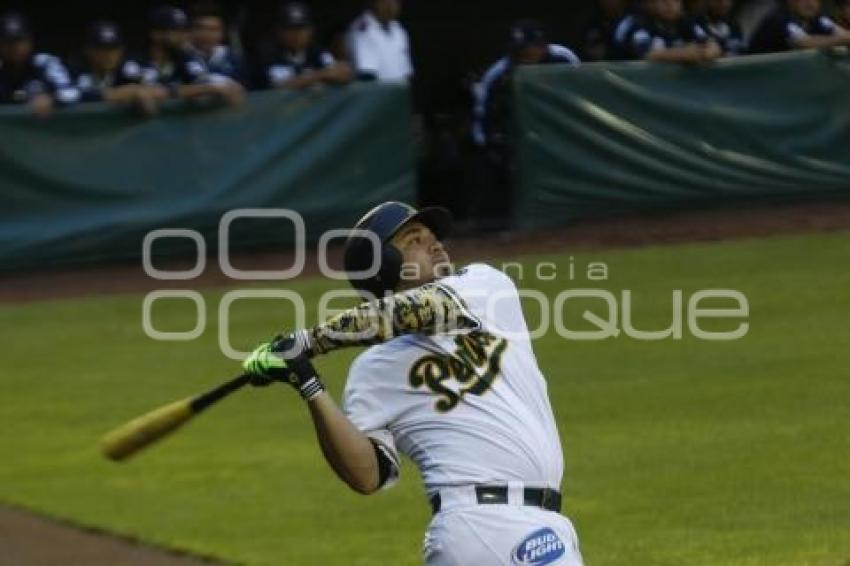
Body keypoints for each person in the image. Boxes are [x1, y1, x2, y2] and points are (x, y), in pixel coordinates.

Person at [241, 201, 584, 565]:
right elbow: (368, 474)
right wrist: (308, 384)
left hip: (540, 524)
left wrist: (310, 342)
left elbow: (414, 309)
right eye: (415, 241)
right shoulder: (372, 371)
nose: (436, 245)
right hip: (485, 525)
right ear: (383, 266)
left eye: (434, 238)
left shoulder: (484, 287)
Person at [470, 20, 579, 230]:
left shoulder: (563, 58)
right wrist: (492, 144)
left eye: (528, 51)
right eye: (519, 52)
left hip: (560, 133)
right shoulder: (497, 73)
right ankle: (493, 223)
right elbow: (481, 119)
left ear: (541, 47)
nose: (524, 58)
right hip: (518, 139)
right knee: (493, 162)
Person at [141, 5, 244, 105]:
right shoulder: (137, 60)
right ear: (155, 33)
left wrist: (220, 85)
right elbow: (140, 92)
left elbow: (202, 79)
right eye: (173, 30)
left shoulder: (185, 58)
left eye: (181, 31)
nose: (179, 36)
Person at [75, 21, 169, 115]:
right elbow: (67, 95)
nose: (109, 55)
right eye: (102, 49)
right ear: (88, 50)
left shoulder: (128, 67)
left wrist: (141, 91)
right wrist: (117, 94)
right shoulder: (76, 69)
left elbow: (160, 88)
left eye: (114, 49)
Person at [256, 2, 351, 90]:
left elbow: (340, 72)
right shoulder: (270, 56)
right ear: (279, 32)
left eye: (301, 29)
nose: (296, 35)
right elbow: (282, 86)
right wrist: (321, 75)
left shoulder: (316, 52)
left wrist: (341, 72)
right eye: (290, 29)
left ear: (310, 31)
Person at [0, 12, 79, 116]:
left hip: (45, 129)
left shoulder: (45, 63)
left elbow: (71, 93)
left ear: (30, 42)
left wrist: (51, 98)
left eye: (19, 41)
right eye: (8, 42)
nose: (15, 47)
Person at [621, 0, 722, 62]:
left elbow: (712, 44)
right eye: (663, 0)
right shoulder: (639, 23)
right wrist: (682, 54)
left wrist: (707, 53)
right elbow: (646, 54)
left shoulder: (686, 22)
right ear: (652, 3)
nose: (669, 4)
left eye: (675, 0)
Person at [346, 0, 413, 82]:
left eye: (395, 2)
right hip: (375, 92)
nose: (391, 6)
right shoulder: (362, 28)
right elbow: (367, 75)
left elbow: (406, 72)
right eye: (385, 2)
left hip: (398, 91)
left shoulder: (398, 29)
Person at [749, 0, 850, 53]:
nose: (810, 2)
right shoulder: (778, 19)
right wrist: (842, 40)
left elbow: (843, 34)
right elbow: (805, 43)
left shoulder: (818, 18)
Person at [189, 4, 247, 85]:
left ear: (222, 33)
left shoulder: (233, 58)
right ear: (191, 31)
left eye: (213, 30)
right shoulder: (183, 57)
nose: (206, 35)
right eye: (200, 28)